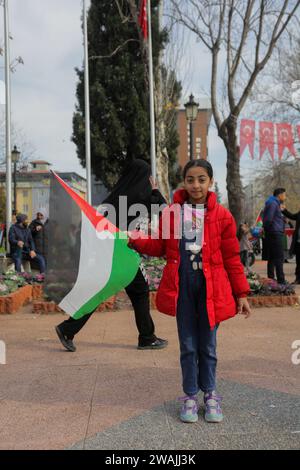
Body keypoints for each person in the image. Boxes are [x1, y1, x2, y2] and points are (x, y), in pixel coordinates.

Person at [127, 159, 251, 424]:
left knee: (208, 345)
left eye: (201, 179)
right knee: (188, 346)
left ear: (210, 181)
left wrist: (241, 293)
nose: (196, 185)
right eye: (191, 179)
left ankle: (211, 394)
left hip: (212, 288)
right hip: (183, 286)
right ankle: (190, 396)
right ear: (184, 182)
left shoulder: (222, 216)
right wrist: (134, 240)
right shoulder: (172, 213)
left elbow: (232, 258)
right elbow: (160, 246)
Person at [55, 159, 168, 352]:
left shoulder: (113, 197)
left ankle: (68, 329)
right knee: (139, 292)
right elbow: (165, 210)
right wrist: (156, 190)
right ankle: (146, 338)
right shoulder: (144, 197)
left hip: (109, 254)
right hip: (125, 256)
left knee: (113, 292)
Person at [262, 188, 287, 285]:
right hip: (274, 233)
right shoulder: (273, 203)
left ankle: (271, 279)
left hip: (273, 232)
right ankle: (281, 281)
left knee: (272, 257)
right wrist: (270, 230)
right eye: (284, 195)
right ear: (279, 195)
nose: (285, 197)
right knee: (279, 257)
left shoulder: (273, 203)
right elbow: (268, 219)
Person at [282, 206, 300, 284]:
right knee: (298, 261)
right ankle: (298, 279)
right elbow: (292, 216)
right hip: (298, 242)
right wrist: (284, 210)